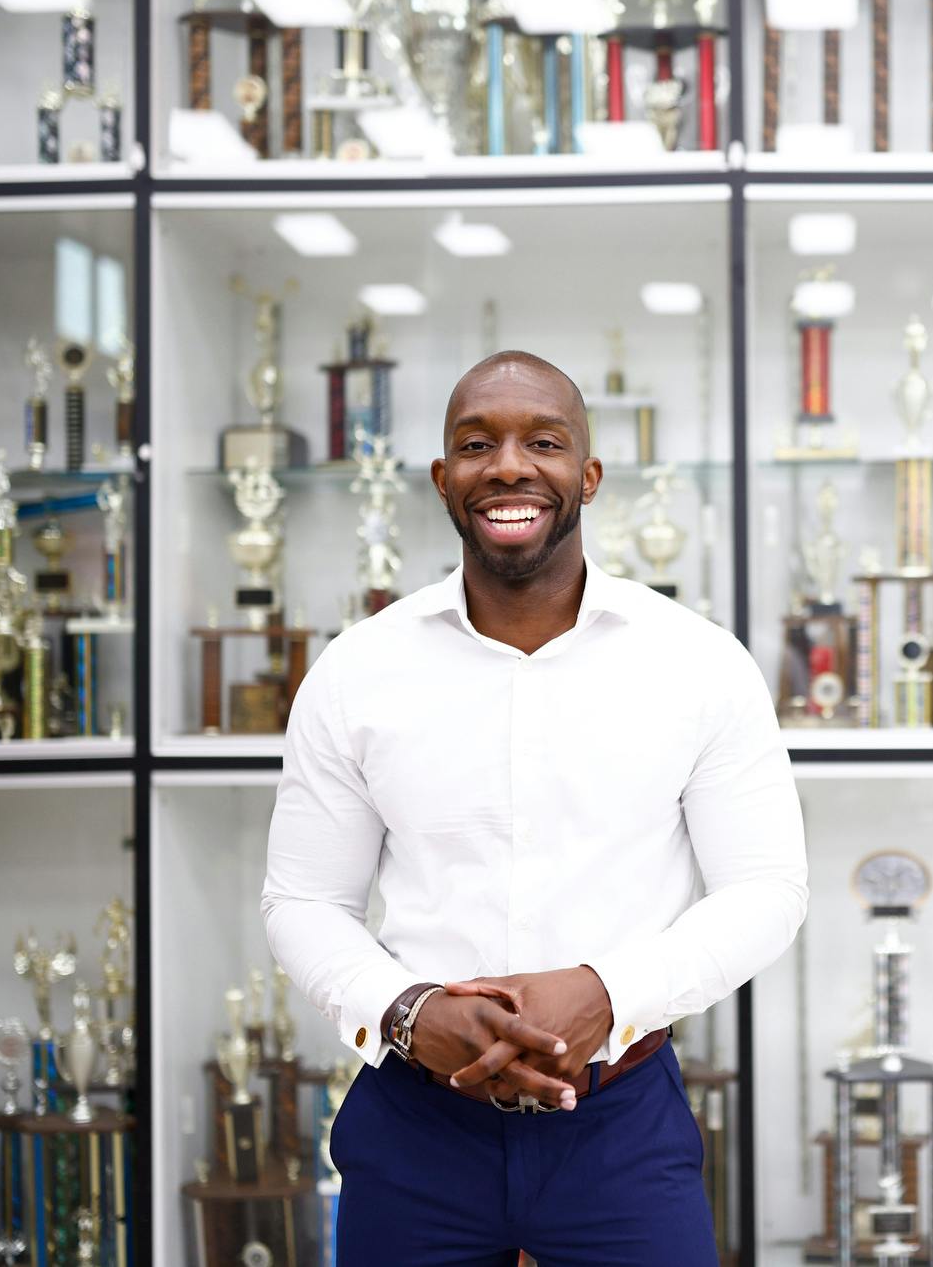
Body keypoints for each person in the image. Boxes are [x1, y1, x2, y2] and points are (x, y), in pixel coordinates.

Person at [263, 350, 808, 1265]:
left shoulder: (698, 665)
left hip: (621, 1127)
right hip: (415, 1131)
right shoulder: (358, 672)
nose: (509, 466)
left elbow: (767, 889)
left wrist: (608, 995)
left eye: (544, 443)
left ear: (588, 475)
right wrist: (408, 1011)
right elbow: (303, 900)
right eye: (478, 445)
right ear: (443, 478)